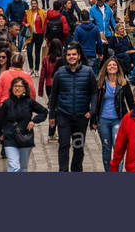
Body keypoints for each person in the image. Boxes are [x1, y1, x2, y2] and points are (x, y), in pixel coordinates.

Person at [48, 43, 97, 172]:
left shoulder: (88, 72)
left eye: (74, 54)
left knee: (78, 147)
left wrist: (92, 111)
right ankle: (63, 171)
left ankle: (76, 170)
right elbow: (53, 95)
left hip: (81, 118)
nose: (71, 57)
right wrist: (52, 115)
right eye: (69, 55)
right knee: (63, 145)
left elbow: (94, 92)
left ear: (79, 56)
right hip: (64, 115)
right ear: (66, 57)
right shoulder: (60, 73)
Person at [0, 77, 48, 172]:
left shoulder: (29, 102)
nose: (17, 88)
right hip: (10, 139)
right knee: (14, 166)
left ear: (25, 88)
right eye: (15, 86)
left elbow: (44, 112)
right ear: (12, 88)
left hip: (25, 138)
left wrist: (34, 121)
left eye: (20, 86)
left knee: (23, 168)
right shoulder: (7, 103)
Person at [91, 57, 135, 171]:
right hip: (103, 121)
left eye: (114, 65)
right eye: (109, 65)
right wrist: (93, 121)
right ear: (106, 68)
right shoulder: (100, 83)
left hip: (119, 120)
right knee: (106, 148)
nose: (112, 67)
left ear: (118, 68)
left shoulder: (123, 83)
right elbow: (95, 103)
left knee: (118, 148)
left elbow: (130, 102)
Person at [38, 39, 63, 141]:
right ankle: (56, 131)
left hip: (49, 85)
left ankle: (51, 132)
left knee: (52, 107)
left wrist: (40, 90)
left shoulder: (46, 59)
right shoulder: (61, 59)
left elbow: (42, 76)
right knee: (58, 108)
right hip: (60, 85)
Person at [23, 0, 47, 74]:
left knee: (37, 52)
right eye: (32, 4)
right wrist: (25, 24)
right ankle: (31, 68)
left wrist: (44, 34)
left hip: (39, 35)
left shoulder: (42, 13)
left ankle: (36, 69)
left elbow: (45, 23)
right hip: (30, 34)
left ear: (37, 4)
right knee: (29, 52)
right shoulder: (28, 13)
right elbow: (23, 21)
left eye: (35, 4)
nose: (33, 5)